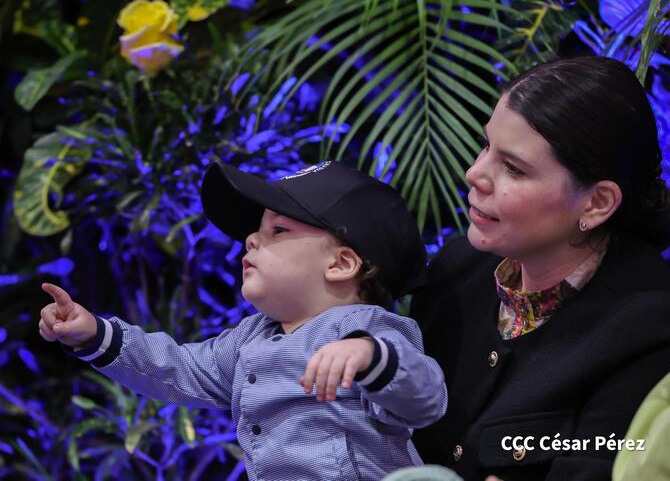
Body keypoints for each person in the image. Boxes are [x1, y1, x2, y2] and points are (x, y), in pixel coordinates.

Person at [38, 159, 448, 481]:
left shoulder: (366, 328)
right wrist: (95, 334)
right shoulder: (251, 337)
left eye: (279, 229)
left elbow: (426, 397)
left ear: (341, 264)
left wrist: (371, 357)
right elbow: (179, 367)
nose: (251, 238)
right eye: (258, 229)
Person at [410, 56, 670, 480]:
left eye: (513, 168)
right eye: (486, 146)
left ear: (597, 202)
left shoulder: (649, 332)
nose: (475, 173)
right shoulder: (457, 270)